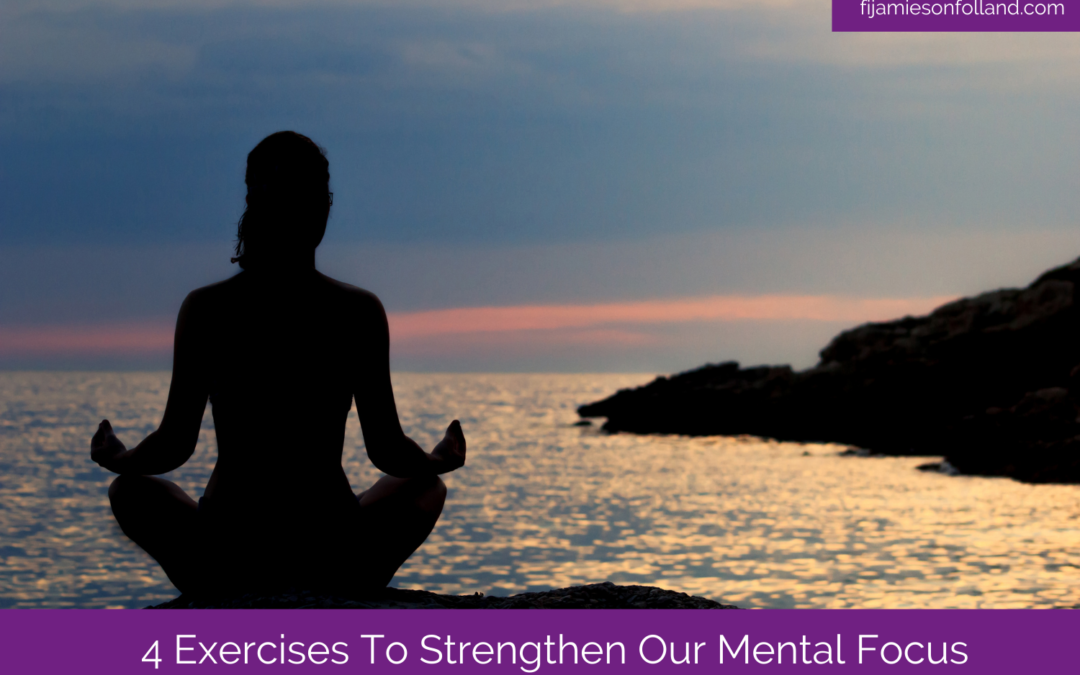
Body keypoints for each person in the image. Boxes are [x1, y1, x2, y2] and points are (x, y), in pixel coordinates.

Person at [89, 131, 465, 597]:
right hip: (330, 547)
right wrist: (436, 459)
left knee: (130, 492)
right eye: (309, 195)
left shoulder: (207, 308)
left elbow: (173, 445)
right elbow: (387, 451)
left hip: (228, 549)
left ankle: (220, 590)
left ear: (252, 202)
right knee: (425, 487)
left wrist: (120, 457)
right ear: (322, 207)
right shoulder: (357, 310)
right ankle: (341, 584)